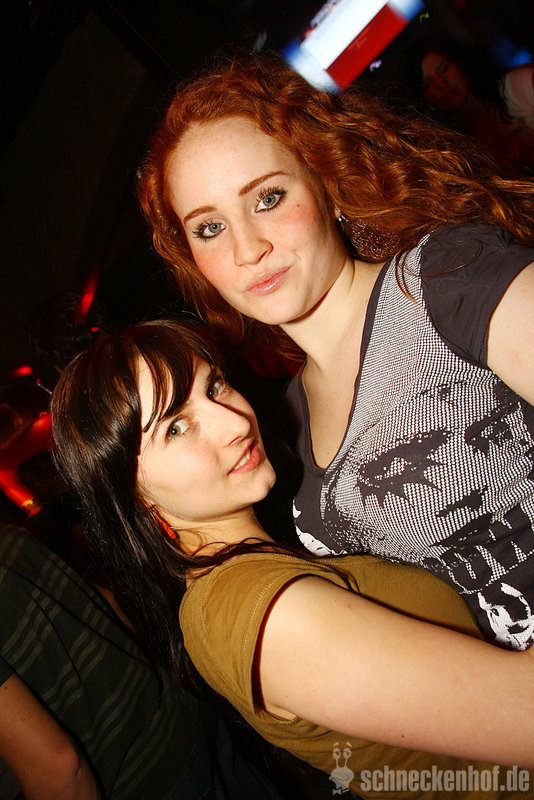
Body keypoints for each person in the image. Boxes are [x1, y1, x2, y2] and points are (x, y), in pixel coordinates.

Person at [136, 52, 534, 652]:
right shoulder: (284, 418)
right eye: (209, 228)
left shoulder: (448, 282)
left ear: (327, 185)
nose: (248, 249)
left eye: (268, 198)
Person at [50, 317, 534, 800]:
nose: (236, 422)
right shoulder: (252, 609)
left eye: (214, 386)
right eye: (176, 428)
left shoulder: (254, 569)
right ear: (135, 496)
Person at [0, 520, 291, 800]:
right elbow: (109, 602)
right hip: (181, 718)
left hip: (143, 779)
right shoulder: (10, 538)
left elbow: (58, 770)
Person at [399, 37, 534, 172]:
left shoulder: (516, 86)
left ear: (460, 64)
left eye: (444, 68)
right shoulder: (451, 152)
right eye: (428, 83)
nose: (442, 83)